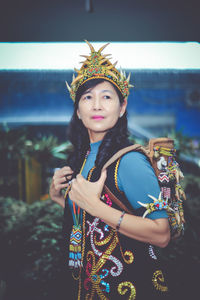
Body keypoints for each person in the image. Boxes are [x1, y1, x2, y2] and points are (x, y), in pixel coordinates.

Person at [49, 41, 171, 300]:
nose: (97, 105)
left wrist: (94, 206)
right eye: (87, 97)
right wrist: (62, 200)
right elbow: (92, 224)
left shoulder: (129, 161)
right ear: (78, 112)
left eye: (106, 96)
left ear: (122, 107)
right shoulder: (81, 158)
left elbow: (161, 234)